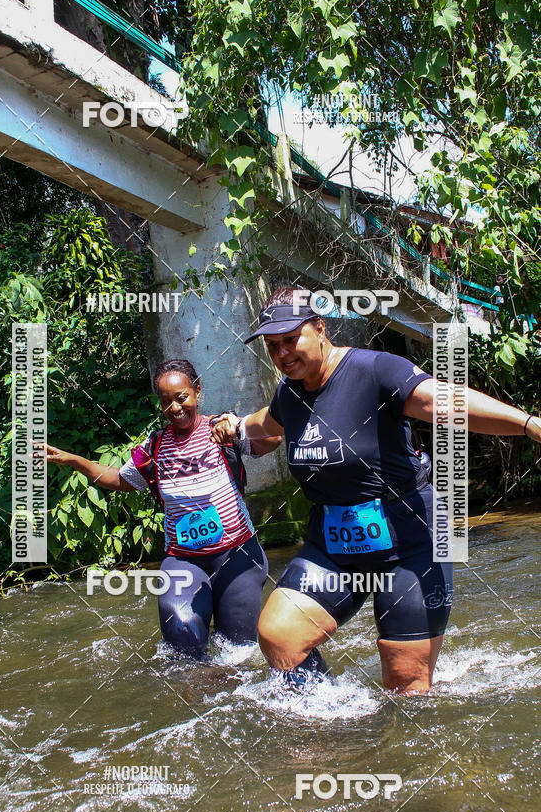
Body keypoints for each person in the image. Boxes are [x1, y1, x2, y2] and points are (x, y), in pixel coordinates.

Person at [212, 287, 541, 694]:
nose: (282, 353)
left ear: (319, 328)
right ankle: (330, 721)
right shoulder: (289, 392)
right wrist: (235, 426)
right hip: (333, 546)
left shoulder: (376, 370)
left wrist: (528, 424)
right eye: (273, 345)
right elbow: (268, 425)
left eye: (290, 339)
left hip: (411, 539)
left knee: (406, 686)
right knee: (280, 635)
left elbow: (447, 403)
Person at [45, 359, 281, 660]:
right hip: (184, 560)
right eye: (165, 402)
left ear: (196, 391)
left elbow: (273, 438)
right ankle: (196, 693)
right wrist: (73, 461)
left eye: (181, 397)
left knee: (237, 652)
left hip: (237, 556)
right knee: (182, 644)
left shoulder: (219, 429)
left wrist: (237, 428)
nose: (174, 408)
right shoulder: (155, 446)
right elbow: (120, 479)